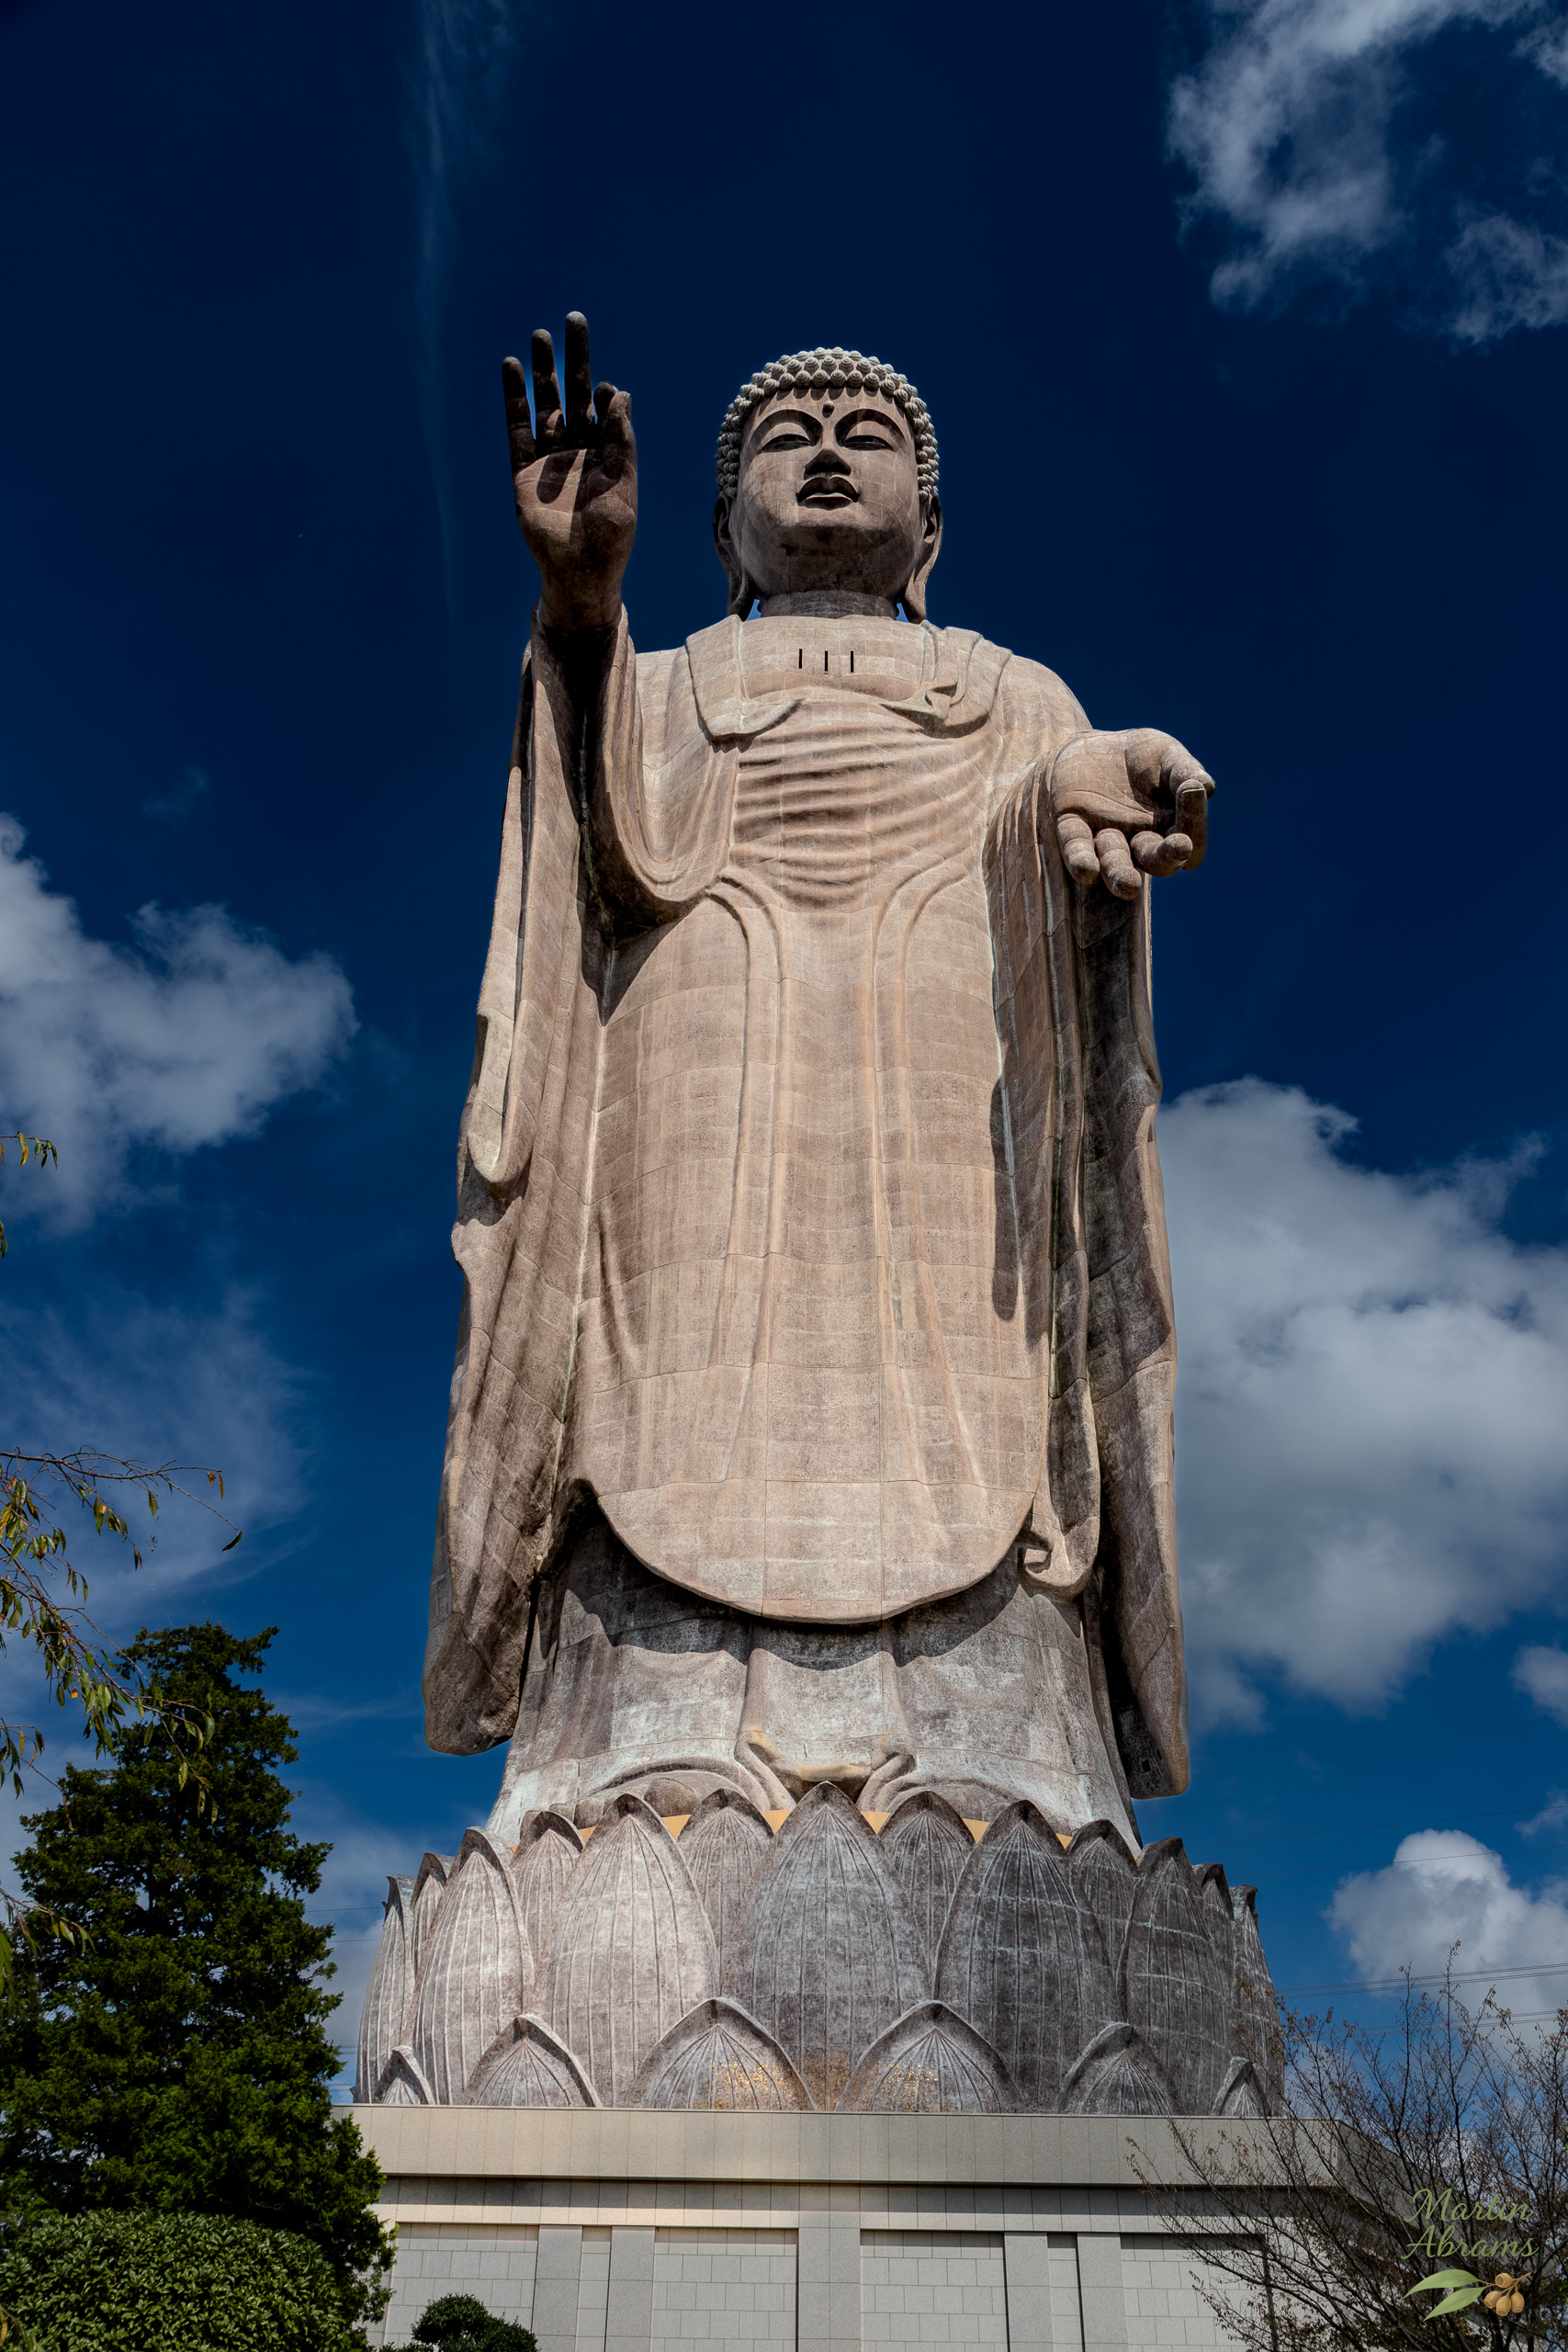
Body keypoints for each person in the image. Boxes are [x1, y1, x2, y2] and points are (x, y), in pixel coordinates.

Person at [423, 317, 1215, 1849]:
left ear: (933, 521)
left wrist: (1088, 783)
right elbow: (595, 858)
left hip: (948, 1048)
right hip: (702, 1019)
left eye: (873, 435)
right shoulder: (664, 672)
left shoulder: (1011, 686)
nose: (834, 451)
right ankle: (629, 1749)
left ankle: (1015, 1756)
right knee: (654, 1340)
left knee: (983, 1339)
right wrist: (581, 606)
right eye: (791, 439)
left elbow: (1053, 826)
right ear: (723, 526)